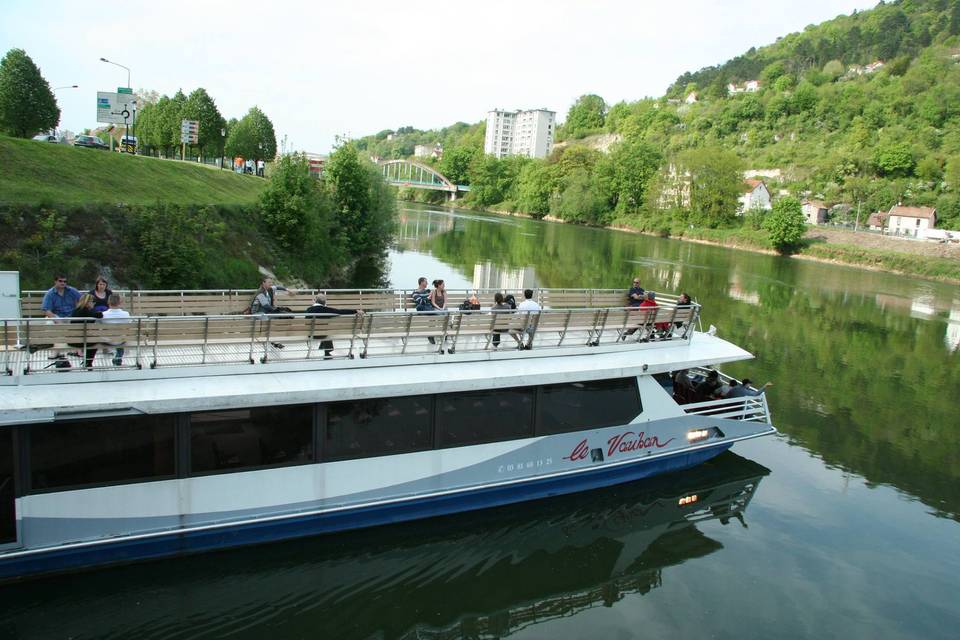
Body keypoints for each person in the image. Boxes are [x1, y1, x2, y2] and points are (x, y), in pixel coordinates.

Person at [306, 293, 364, 359]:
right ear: (324, 302)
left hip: (310, 334)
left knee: (324, 331)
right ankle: (327, 352)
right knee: (325, 331)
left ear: (315, 300)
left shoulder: (308, 310)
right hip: (323, 334)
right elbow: (340, 311)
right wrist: (356, 311)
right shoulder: (326, 310)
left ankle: (326, 351)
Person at [70, 294, 103, 368]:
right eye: (93, 302)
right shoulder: (89, 312)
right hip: (83, 341)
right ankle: (88, 362)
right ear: (88, 302)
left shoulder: (75, 310)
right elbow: (100, 315)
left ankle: (87, 362)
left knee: (90, 339)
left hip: (72, 341)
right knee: (95, 341)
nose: (94, 303)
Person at [100, 293, 131, 366]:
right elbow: (128, 327)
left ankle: (117, 358)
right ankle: (118, 358)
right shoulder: (126, 314)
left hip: (107, 340)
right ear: (120, 302)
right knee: (121, 337)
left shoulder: (103, 314)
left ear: (108, 302)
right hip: (121, 340)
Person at [429, 279, 450, 352]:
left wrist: (443, 308)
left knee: (447, 314)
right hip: (436, 308)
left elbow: (445, 302)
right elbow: (433, 302)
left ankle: (445, 332)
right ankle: (441, 332)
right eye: (443, 284)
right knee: (440, 313)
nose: (444, 285)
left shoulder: (444, 291)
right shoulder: (434, 291)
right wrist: (439, 308)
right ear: (438, 285)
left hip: (443, 307)